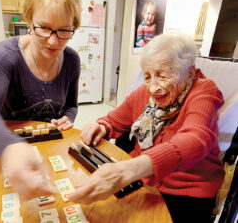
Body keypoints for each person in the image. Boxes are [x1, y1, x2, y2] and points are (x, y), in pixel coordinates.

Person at [68, 34, 225, 223]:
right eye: (148, 76)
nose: (153, 87)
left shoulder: (204, 92)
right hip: (142, 183)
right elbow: (114, 120)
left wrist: (133, 168)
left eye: (163, 75)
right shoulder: (143, 93)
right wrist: (100, 125)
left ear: (190, 72)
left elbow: (196, 139)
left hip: (185, 192)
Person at [0, 0, 82, 200]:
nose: (53, 41)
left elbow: (72, 106)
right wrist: (10, 147)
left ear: (75, 24)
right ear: (29, 18)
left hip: (50, 152)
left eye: (64, 30)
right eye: (44, 28)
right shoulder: (5, 56)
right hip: (7, 152)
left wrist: (69, 117)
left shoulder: (72, 60)